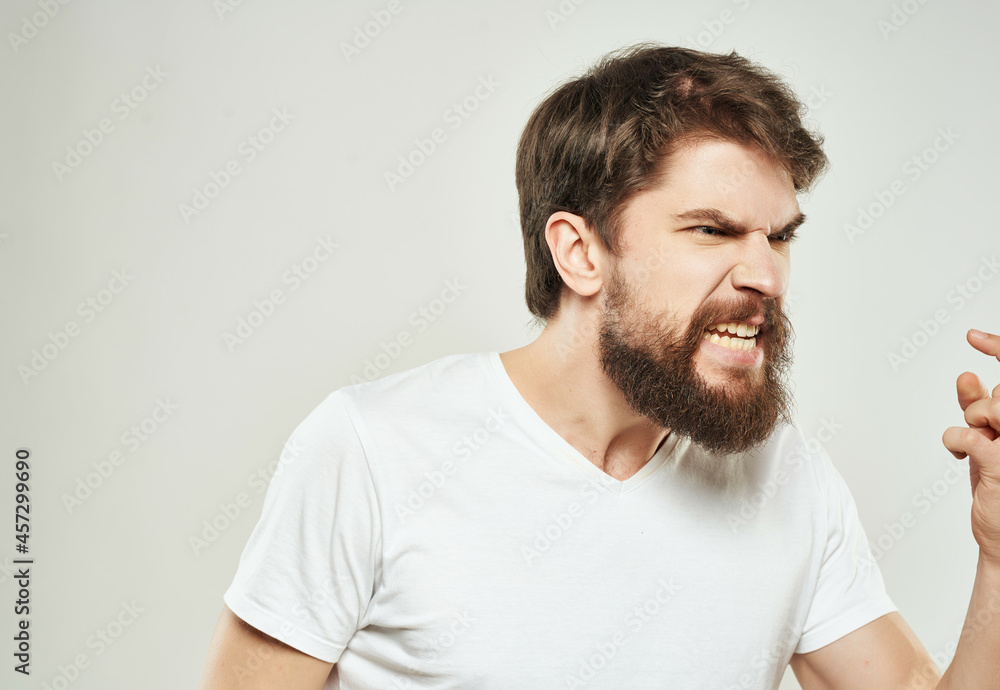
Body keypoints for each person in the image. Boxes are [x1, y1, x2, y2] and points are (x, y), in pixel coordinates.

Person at [198, 43, 1000, 689]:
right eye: (714, 231)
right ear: (580, 252)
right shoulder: (371, 448)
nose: (767, 275)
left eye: (780, 235)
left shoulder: (788, 479)